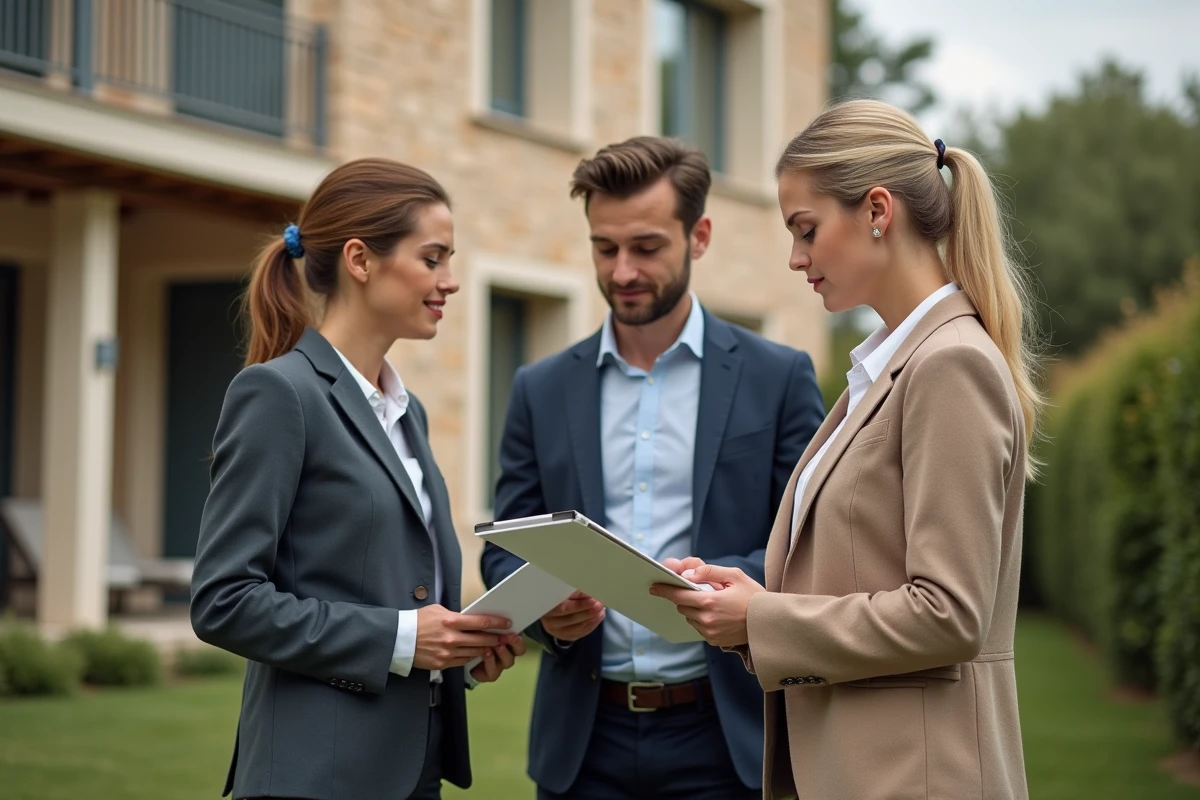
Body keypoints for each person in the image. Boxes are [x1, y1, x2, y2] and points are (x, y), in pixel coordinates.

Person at [651, 98, 1041, 800]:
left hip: (918, 777)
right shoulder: (885, 369)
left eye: (806, 229)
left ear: (878, 211)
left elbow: (949, 613)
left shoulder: (950, 365)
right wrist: (752, 606)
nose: (795, 258)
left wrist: (762, 619)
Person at [480, 136, 825, 800]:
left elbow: (812, 544)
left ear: (699, 237)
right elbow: (505, 547)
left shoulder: (778, 378)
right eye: (604, 248)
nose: (623, 271)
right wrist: (546, 609)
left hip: (725, 734)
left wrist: (727, 582)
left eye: (645, 247)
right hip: (584, 744)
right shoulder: (539, 388)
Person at [190, 157, 526, 800]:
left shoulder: (407, 411)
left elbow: (397, 589)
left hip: (415, 769)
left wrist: (461, 651)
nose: (451, 281)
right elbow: (223, 601)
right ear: (360, 260)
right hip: (315, 777)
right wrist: (404, 638)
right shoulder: (278, 394)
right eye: (432, 258)